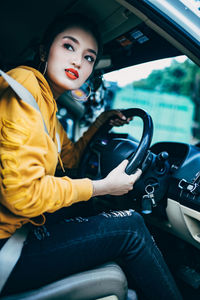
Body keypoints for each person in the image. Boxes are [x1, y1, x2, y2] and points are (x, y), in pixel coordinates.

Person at [0, 13, 182, 299]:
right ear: (44, 50)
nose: (77, 62)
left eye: (88, 57)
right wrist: (102, 187)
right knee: (132, 227)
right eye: (68, 47)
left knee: (93, 211)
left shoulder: (47, 104)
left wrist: (102, 123)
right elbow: (22, 195)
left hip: (16, 233)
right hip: (5, 248)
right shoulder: (26, 86)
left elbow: (70, 160)